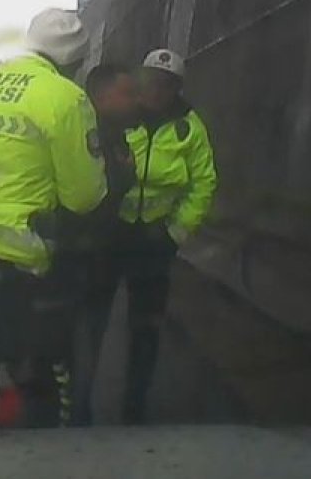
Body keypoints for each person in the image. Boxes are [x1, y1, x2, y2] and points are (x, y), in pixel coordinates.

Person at [0, 8, 108, 431]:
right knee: (40, 384)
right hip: (19, 267)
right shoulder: (64, 97)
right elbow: (84, 197)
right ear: (75, 61)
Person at [84, 48, 218, 425]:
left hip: (155, 240)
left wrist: (176, 232)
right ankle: (78, 402)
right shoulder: (121, 118)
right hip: (112, 234)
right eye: (150, 81)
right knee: (93, 318)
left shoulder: (189, 127)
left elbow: (203, 182)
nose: (155, 90)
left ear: (176, 88)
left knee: (146, 327)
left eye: (165, 84)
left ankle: (134, 407)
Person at [53, 63, 142, 426]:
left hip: (100, 264)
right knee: (71, 349)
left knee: (82, 348)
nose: (135, 100)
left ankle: (73, 415)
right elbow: (89, 193)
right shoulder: (86, 134)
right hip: (74, 262)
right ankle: (70, 422)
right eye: (127, 93)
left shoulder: (118, 133)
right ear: (102, 96)